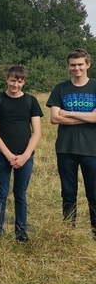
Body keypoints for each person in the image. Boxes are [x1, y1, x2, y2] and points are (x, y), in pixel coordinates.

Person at [0, 65, 43, 242]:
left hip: (25, 156)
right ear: (7, 79)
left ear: (24, 82)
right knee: (1, 193)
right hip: (3, 155)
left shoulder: (31, 101)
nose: (15, 84)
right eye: (12, 80)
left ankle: (21, 232)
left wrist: (25, 155)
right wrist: (8, 155)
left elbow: (37, 132)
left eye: (19, 81)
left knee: (20, 194)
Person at [46, 48, 96, 238]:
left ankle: (95, 232)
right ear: (68, 67)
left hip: (92, 149)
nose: (77, 68)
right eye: (73, 65)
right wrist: (87, 117)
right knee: (68, 192)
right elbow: (54, 118)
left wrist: (70, 112)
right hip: (66, 149)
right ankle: (68, 231)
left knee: (94, 194)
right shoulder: (61, 88)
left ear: (88, 65)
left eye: (80, 64)